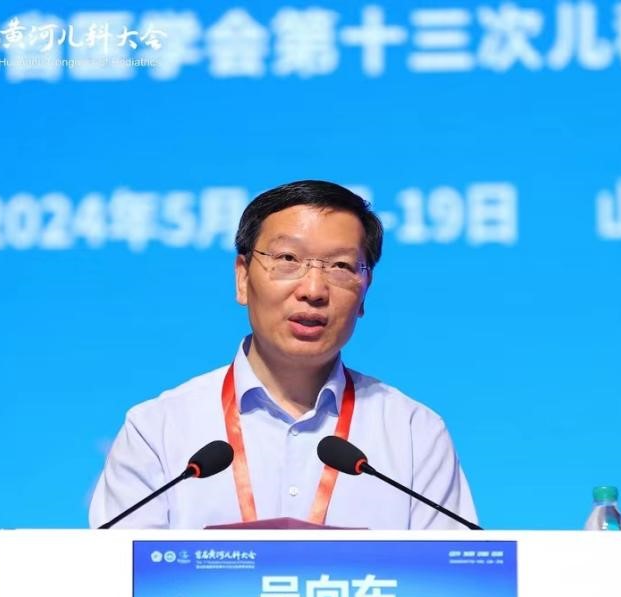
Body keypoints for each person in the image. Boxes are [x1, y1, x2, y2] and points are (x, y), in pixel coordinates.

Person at [88, 180, 477, 530]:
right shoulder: (158, 429)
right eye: (288, 260)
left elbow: (451, 578)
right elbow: (113, 574)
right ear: (243, 277)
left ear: (365, 291)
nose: (313, 290)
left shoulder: (415, 434)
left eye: (341, 266)